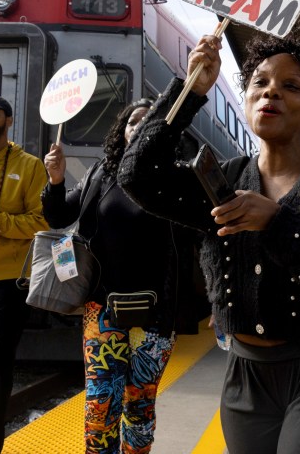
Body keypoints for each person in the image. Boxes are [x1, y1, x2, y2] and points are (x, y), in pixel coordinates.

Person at [118, 32, 300, 454]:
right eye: (260, 82)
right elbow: (137, 175)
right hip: (246, 377)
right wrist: (190, 90)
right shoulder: (222, 179)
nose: (272, 91)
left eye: (292, 86)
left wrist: (278, 222)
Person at [41, 98, 198, 454]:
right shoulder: (101, 173)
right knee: (100, 408)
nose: (138, 127)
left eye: (148, 122)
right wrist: (55, 180)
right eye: (132, 121)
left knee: (138, 406)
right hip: (103, 310)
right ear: (121, 130)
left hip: (157, 316)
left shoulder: (175, 179)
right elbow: (59, 214)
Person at [0, 95, 49, 454]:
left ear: (8, 121)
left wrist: (0, 224)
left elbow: (43, 220)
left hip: (7, 282)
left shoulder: (29, 166)